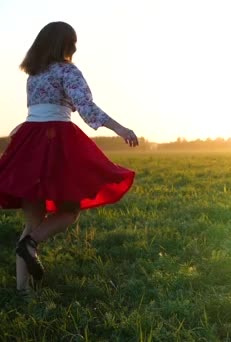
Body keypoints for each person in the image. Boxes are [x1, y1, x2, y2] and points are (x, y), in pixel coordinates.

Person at [0, 21, 139, 292]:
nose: (75, 46)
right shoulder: (67, 70)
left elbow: (38, 110)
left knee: (32, 221)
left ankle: (22, 290)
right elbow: (86, 108)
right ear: (64, 44)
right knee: (70, 210)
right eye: (72, 41)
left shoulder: (34, 74)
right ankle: (30, 245)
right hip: (56, 141)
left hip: (29, 140)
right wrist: (120, 128)